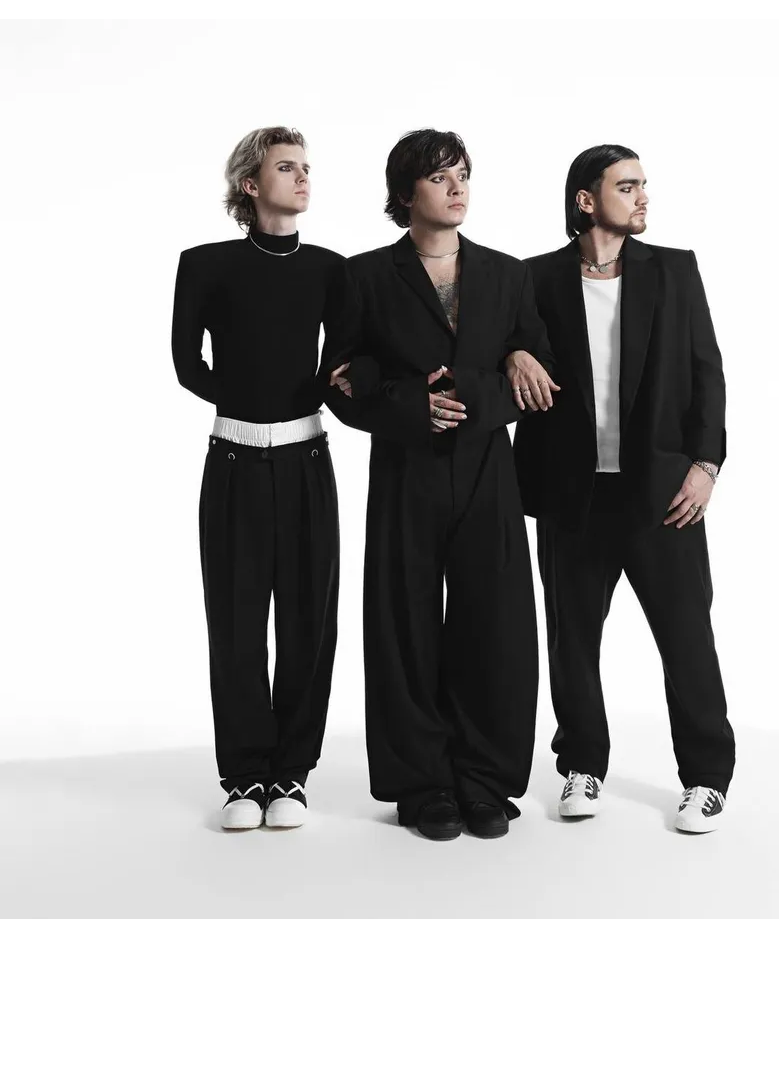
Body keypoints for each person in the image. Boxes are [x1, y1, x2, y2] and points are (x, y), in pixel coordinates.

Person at [322, 129, 557, 840]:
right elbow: (340, 381)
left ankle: (484, 779)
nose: (457, 189)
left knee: (496, 626)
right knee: (405, 626)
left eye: (463, 175)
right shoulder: (364, 277)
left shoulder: (508, 276)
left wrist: (502, 371)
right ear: (405, 193)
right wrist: (407, 405)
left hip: (488, 469)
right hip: (406, 468)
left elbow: (540, 378)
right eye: (439, 177)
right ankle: (422, 785)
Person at [511, 144, 735, 833]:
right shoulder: (535, 278)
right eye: (627, 186)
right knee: (572, 642)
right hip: (571, 494)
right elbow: (504, 347)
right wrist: (514, 351)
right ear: (586, 200)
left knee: (687, 638)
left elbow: (707, 372)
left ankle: (706, 778)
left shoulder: (673, 269)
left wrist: (705, 465)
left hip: (663, 494)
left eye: (643, 185)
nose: (643, 197)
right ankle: (582, 764)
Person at [171, 126, 343, 831]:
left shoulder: (331, 270)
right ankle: (244, 778)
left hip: (307, 463)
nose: (303, 178)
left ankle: (290, 777)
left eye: (306, 167)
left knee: (309, 624)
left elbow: (345, 364)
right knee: (237, 624)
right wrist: (244, 398)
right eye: (286, 167)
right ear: (251, 184)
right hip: (234, 463)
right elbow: (187, 363)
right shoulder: (205, 264)